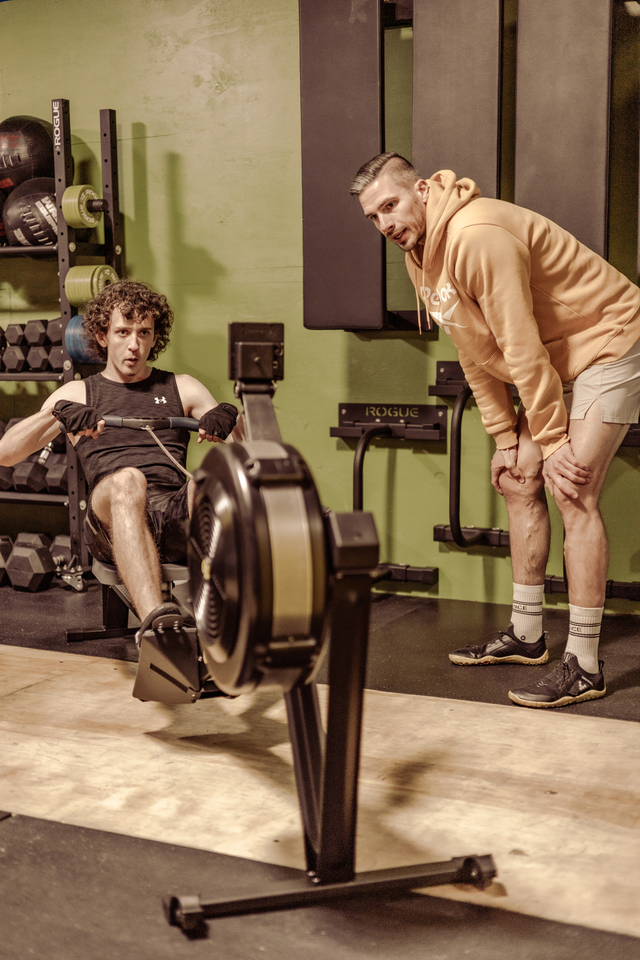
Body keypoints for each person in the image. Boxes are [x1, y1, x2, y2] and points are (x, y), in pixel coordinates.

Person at [351, 152, 640, 709]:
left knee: (571, 487)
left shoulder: (475, 236)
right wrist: (507, 439)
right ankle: (527, 636)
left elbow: (520, 346)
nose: (385, 224)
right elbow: (474, 352)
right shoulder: (421, 255)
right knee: (517, 479)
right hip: (558, 356)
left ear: (422, 192)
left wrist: (553, 442)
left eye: (390, 206)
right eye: (374, 217)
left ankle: (583, 663)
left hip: (607, 338)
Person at [0, 279, 241, 642]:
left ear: (154, 336)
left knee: (212, 479)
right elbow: (7, 454)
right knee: (129, 481)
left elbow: (249, 457)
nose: (134, 344)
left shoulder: (183, 387)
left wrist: (231, 420)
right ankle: (158, 631)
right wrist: (57, 414)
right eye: (122, 331)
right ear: (101, 335)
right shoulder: (79, 392)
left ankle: (231, 625)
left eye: (144, 332)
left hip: (174, 518)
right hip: (110, 519)